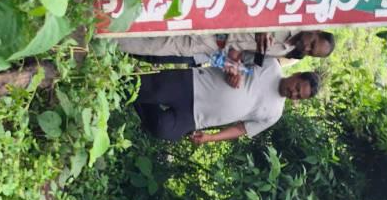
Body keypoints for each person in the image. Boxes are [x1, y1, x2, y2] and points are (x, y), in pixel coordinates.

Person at [134, 58, 319, 143]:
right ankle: (127, 81)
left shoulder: (275, 113)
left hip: (197, 118)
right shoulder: (270, 64)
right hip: (194, 84)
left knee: (162, 129)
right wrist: (234, 69)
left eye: (298, 96)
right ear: (296, 74)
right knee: (143, 88)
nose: (293, 93)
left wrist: (211, 137)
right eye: (297, 87)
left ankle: (136, 89)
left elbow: (241, 129)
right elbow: (233, 55)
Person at [116, 29, 335, 67]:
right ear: (316, 30)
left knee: (152, 48)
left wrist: (234, 66)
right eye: (312, 43)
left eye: (310, 52)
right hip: (205, 20)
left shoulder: (287, 52)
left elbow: (247, 58)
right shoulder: (290, 14)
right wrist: (262, 27)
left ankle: (106, 41)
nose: (307, 48)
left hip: (207, 47)